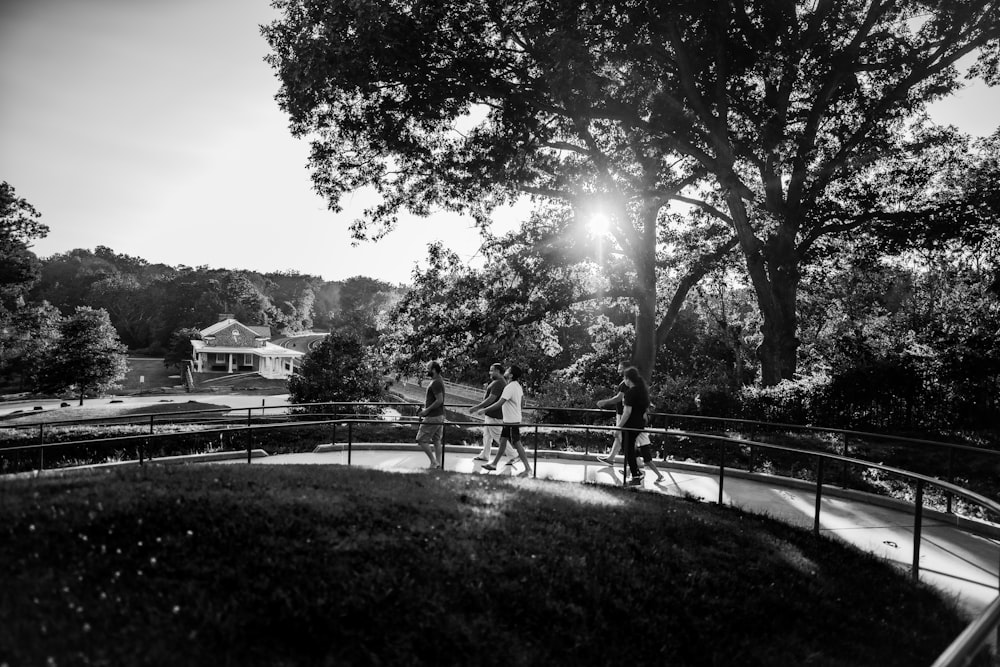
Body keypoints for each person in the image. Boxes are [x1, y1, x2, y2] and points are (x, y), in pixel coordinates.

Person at [473, 364, 533, 477]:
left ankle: (528, 469)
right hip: (511, 420)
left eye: (508, 370)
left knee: (517, 444)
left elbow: (499, 403)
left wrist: (483, 410)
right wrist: (516, 412)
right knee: (503, 442)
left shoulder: (509, 387)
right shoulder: (517, 386)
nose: (505, 371)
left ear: (510, 374)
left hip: (511, 421)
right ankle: (494, 464)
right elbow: (522, 403)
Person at [467, 363, 507, 463]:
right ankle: (485, 455)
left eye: (492, 370)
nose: (490, 372)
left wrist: (477, 407)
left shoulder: (499, 382)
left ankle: (513, 454)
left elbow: (491, 399)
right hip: (491, 414)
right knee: (487, 436)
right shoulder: (498, 382)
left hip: (494, 415)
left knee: (497, 436)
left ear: (497, 371)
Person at [619, 366, 650, 486]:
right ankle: (635, 472)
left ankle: (636, 475)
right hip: (639, 425)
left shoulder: (630, 393)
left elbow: (627, 413)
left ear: (628, 379)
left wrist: (619, 427)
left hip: (630, 425)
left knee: (628, 449)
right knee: (630, 448)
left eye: (624, 378)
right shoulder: (642, 392)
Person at [595, 360, 629, 465]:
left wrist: (604, 402)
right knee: (619, 437)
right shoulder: (626, 382)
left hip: (623, 413)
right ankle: (611, 459)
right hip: (621, 412)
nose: (618, 370)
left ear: (625, 369)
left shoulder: (625, 383)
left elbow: (618, 398)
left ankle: (635, 462)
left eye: (620, 368)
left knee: (622, 437)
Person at [415, 360, 446, 468]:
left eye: (428, 368)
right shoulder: (439, 380)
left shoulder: (436, 382)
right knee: (437, 440)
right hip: (439, 416)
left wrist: (426, 411)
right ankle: (438, 464)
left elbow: (439, 400)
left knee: (421, 439)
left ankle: (434, 462)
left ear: (433, 370)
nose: (426, 370)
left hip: (433, 417)